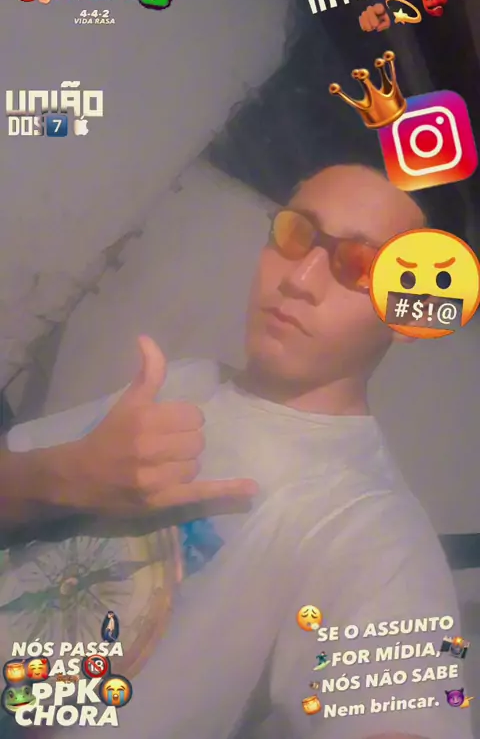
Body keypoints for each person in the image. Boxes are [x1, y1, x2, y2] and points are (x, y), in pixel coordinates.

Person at [0, 163, 473, 739]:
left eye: (361, 266)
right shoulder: (181, 382)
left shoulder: (367, 524)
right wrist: (60, 478)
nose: (300, 279)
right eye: (296, 233)